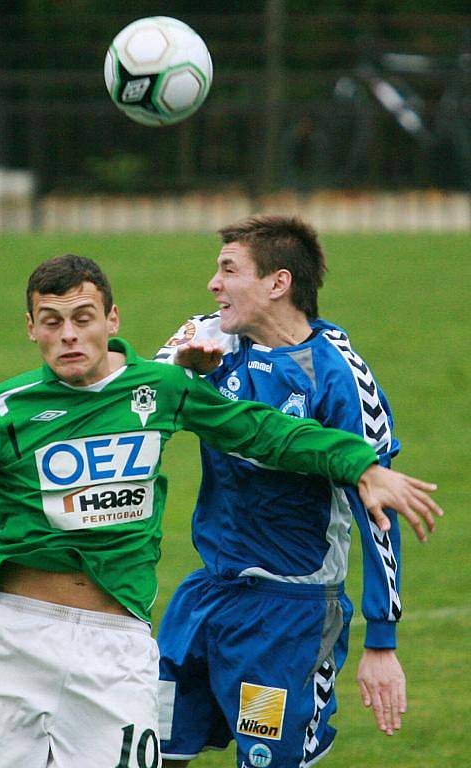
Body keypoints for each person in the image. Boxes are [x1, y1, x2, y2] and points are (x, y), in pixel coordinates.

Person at [0, 254, 441, 768]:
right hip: (11, 637)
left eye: (83, 317)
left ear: (112, 321)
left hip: (118, 650)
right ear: (31, 328)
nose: (69, 335)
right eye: (52, 320)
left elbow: (263, 432)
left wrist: (362, 464)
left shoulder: (162, 389)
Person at [154, 215, 428, 768]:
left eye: (229, 270)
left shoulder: (338, 374)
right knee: (149, 750)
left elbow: (377, 508)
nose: (213, 283)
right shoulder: (209, 337)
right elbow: (133, 390)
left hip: (290, 616)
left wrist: (382, 640)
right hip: (206, 598)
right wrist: (181, 370)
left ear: (278, 283)